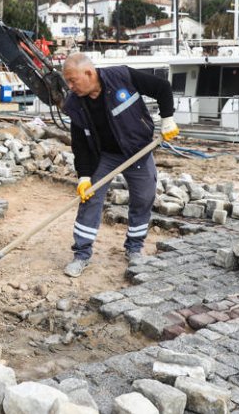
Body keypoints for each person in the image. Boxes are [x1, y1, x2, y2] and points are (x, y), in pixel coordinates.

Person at [61, 53, 178, 278]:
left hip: (137, 151)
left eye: (72, 80)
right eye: (67, 81)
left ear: (89, 73)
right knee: (90, 199)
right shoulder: (74, 104)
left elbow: (162, 87)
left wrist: (167, 118)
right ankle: (81, 254)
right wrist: (84, 176)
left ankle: (134, 248)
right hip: (104, 156)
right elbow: (80, 145)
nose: (70, 86)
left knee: (144, 197)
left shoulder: (121, 76)